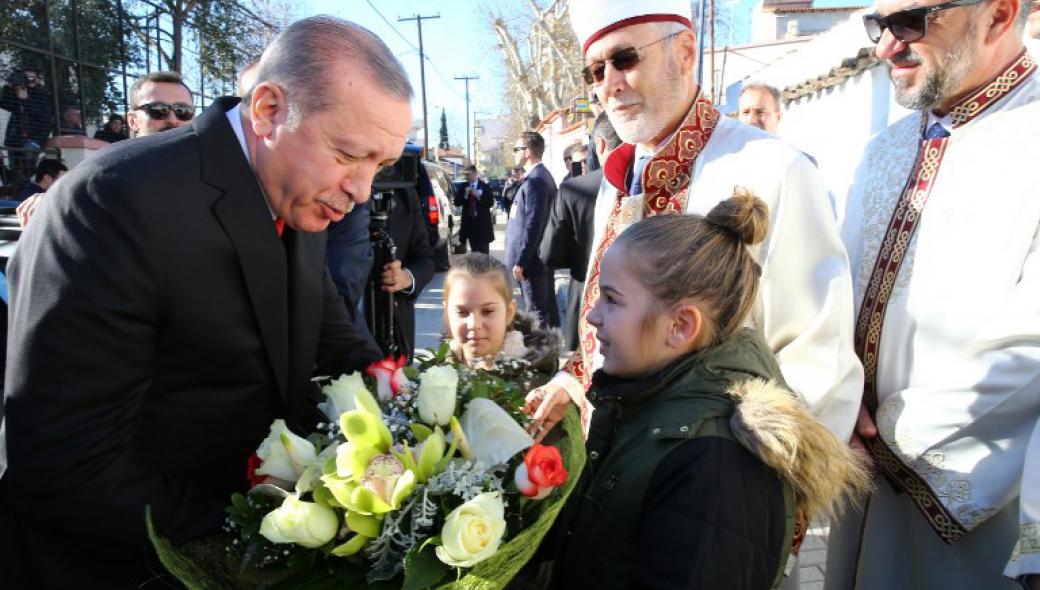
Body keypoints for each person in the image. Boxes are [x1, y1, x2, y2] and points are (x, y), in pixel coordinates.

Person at [0, 16, 412, 589]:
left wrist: (424, 426)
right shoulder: (114, 201)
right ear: (268, 110)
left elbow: (332, 339)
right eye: (348, 155)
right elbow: (70, 465)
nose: (362, 188)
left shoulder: (300, 192)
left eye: (380, 166)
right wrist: (269, 537)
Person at [525, 0, 861, 472]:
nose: (610, 85)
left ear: (684, 52)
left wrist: (755, 493)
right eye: (595, 71)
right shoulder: (619, 179)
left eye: (625, 59)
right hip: (609, 465)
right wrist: (572, 382)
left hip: (711, 482)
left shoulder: (776, 170)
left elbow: (815, 356)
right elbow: (607, 319)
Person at [548, 195, 869, 590]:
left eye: (612, 299)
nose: (593, 315)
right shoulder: (650, 401)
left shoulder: (717, 463)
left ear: (680, 326)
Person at [828, 0, 1040, 587]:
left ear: (998, 14)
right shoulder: (885, 149)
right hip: (859, 475)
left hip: (973, 498)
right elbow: (837, 296)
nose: (885, 46)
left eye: (911, 22)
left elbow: (1031, 348)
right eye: (880, 24)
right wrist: (837, 400)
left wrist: (888, 437)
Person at [540, 112, 622, 351]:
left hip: (586, 293)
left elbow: (549, 255)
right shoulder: (656, 183)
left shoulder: (573, 190)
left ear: (600, 145)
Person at [444, 253, 560, 380]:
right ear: (447, 312)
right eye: (462, 312)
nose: (473, 325)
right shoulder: (437, 372)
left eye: (487, 311)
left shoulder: (535, 385)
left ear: (509, 312)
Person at [505, 130, 559, 329]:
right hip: (533, 260)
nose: (514, 153)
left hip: (532, 262)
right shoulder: (536, 177)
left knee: (536, 314)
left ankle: (542, 358)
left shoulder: (537, 180)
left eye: (516, 149)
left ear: (527, 151)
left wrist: (521, 260)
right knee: (544, 310)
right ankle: (548, 355)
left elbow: (534, 224)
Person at [1, 67, 53, 184]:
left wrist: (25, 100)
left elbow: (43, 115)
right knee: (16, 170)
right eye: (26, 78)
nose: (29, 81)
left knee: (27, 164)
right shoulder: (18, 91)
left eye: (31, 78)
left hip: (34, 138)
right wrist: (9, 86)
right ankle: (16, 188)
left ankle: (22, 184)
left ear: (38, 80)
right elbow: (5, 104)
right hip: (15, 139)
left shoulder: (43, 95)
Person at [126, 71, 195, 138]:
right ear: (133, 121)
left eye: (184, 111)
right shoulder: (117, 149)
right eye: (158, 110)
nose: (172, 120)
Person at [454, 164, 494, 254]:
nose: (467, 177)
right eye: (466, 175)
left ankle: (484, 267)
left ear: (475, 174)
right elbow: (457, 202)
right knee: (474, 252)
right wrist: (465, 195)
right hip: (470, 224)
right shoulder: (463, 186)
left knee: (483, 252)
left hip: (482, 224)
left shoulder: (484, 186)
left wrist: (478, 196)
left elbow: (490, 203)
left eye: (469, 174)